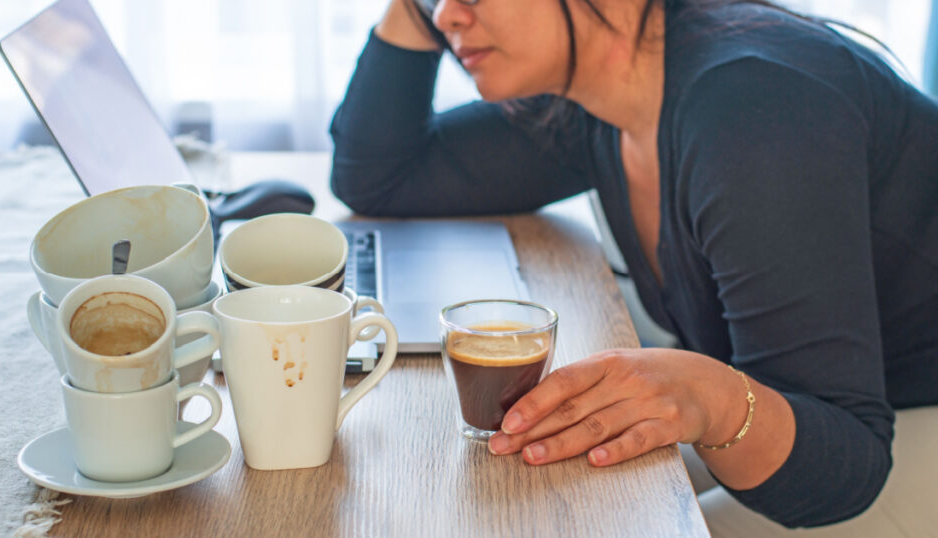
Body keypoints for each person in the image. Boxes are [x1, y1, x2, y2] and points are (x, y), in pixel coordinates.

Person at [329, 0, 938, 534]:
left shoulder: (752, 109)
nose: (446, 16)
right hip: (829, 418)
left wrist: (715, 399)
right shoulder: (599, 102)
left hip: (899, 430)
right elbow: (380, 174)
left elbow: (848, 468)